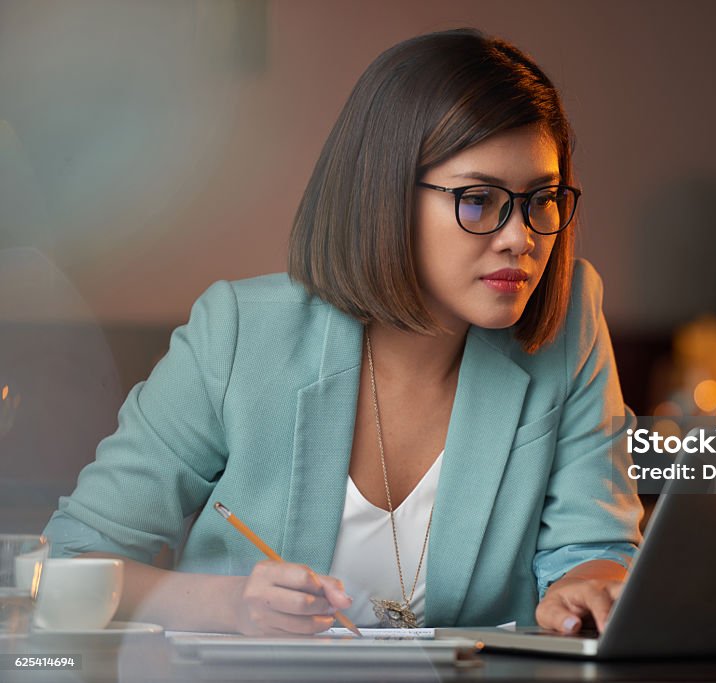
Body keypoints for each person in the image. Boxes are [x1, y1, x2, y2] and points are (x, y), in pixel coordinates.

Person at [42, 27, 642, 636]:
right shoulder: (240, 334)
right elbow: (70, 564)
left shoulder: (569, 325)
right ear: (384, 196)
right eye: (478, 199)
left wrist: (580, 591)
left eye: (541, 198)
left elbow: (594, 548)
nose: (522, 237)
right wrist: (230, 606)